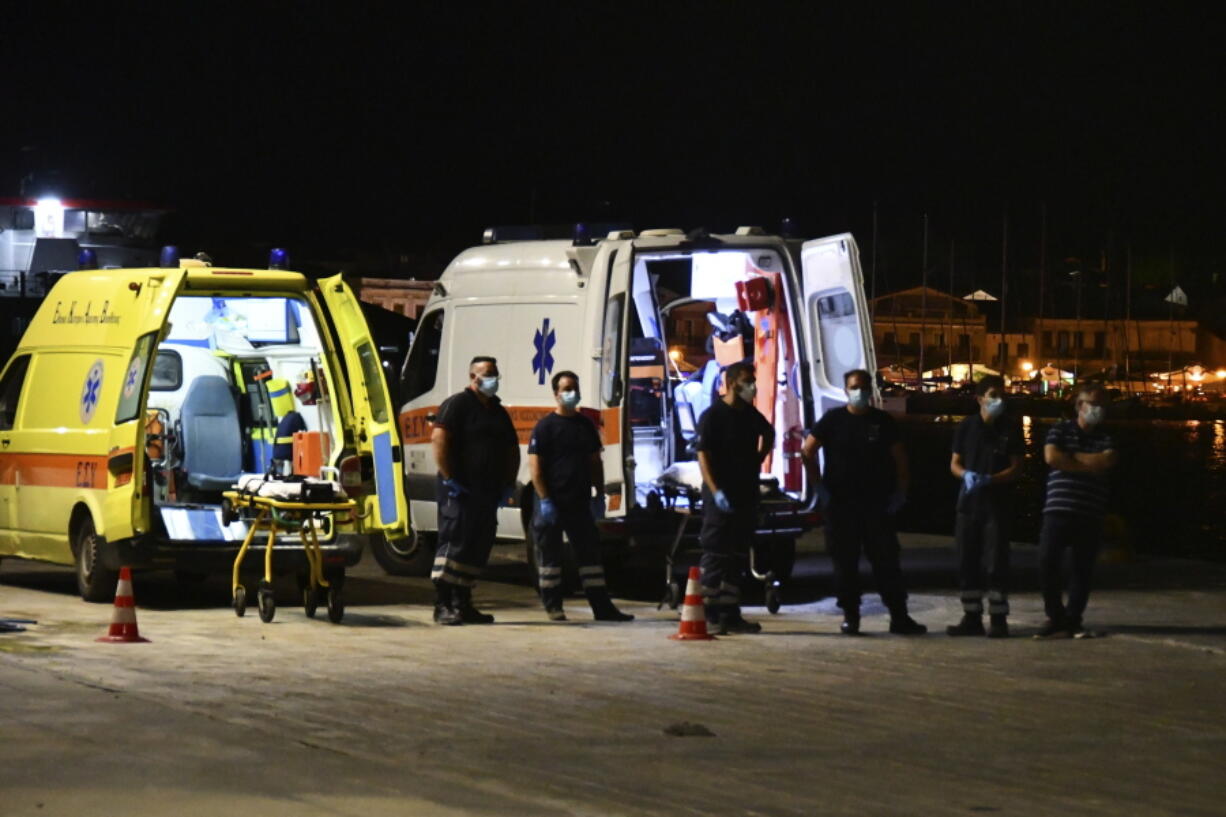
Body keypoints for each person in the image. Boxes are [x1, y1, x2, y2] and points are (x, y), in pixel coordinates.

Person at [801, 369, 926, 636]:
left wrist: (900, 492)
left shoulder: (882, 421)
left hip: (876, 505)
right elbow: (807, 451)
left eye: (864, 387)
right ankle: (851, 616)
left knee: (887, 561)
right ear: (846, 390)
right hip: (841, 505)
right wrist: (818, 488)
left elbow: (900, 458)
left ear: (870, 390)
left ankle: (899, 616)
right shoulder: (833, 420)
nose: (860, 392)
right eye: (854, 387)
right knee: (845, 563)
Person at [528, 371, 633, 622]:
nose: (571, 393)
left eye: (574, 387)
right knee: (550, 558)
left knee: (590, 558)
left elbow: (594, 462)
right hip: (552, 500)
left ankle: (602, 608)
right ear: (556, 394)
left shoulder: (585, 425)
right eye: (566, 388)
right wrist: (544, 500)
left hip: (579, 500)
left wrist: (599, 493)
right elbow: (535, 468)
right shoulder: (545, 427)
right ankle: (553, 606)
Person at [430, 356, 519, 625]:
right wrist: (450, 478)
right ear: (473, 377)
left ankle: (463, 602)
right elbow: (439, 440)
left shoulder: (497, 410)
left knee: (477, 546)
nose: (494, 378)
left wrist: (508, 483)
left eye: (495, 373)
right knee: (454, 542)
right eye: (488, 373)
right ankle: (442, 604)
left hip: (487, 491)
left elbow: (511, 449)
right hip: (459, 490)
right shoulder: (457, 405)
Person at [695, 361, 775, 634]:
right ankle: (708, 614)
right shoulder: (713, 416)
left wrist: (758, 460)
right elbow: (703, 455)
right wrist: (716, 491)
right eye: (746, 380)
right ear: (730, 383)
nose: (752, 385)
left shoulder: (750, 415)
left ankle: (730, 613)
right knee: (716, 554)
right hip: (722, 494)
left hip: (745, 493)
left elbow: (769, 433)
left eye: (752, 380)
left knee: (738, 555)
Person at [1036, 383, 1117, 638]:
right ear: (1080, 406)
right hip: (1058, 509)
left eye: (1102, 405)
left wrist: (1070, 459)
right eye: (1093, 403)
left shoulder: (1107, 437)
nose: (1098, 409)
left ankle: (1073, 618)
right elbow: (1051, 458)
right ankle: (1055, 616)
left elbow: (1108, 460)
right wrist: (1088, 463)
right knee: (1047, 563)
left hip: (1090, 512)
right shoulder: (1060, 429)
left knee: (1082, 569)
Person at [946, 375, 1024, 638]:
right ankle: (971, 617)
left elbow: (1016, 467)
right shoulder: (967, 427)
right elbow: (954, 463)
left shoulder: (1010, 428)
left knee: (996, 562)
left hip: (998, 504)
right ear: (979, 399)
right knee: (967, 560)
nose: (999, 400)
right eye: (994, 395)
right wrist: (965, 474)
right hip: (968, 503)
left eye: (1002, 395)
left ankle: (998, 618)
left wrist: (992, 479)